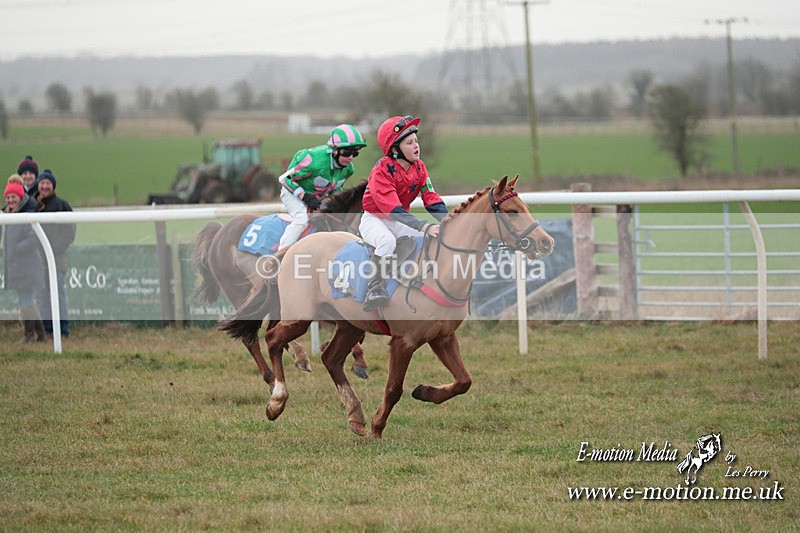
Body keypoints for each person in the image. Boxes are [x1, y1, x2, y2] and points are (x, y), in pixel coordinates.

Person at [359, 115, 448, 311]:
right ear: (394, 150)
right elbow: (392, 209)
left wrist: (449, 220)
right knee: (387, 241)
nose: (416, 146)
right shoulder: (382, 170)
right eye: (409, 143)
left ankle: (418, 281)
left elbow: (431, 198)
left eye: (416, 141)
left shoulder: (420, 167)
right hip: (375, 219)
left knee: (423, 238)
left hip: (397, 219)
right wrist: (424, 225)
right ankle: (374, 288)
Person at [277, 124, 366, 250]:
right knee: (301, 219)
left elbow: (336, 191)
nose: (351, 158)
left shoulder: (349, 170)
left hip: (316, 198)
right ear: (334, 150)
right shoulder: (312, 160)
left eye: (355, 153)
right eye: (347, 152)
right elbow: (284, 179)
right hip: (292, 192)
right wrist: (304, 196)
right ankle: (281, 253)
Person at [2, 175, 46, 343]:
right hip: (17, 266)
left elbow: (34, 239)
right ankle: (39, 335)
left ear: (20, 197)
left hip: (26, 265)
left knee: (26, 300)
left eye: (13, 197)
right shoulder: (6, 213)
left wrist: (16, 249)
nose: (10, 200)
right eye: (8, 197)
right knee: (25, 300)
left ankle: (30, 335)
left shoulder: (26, 214)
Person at [35, 169, 76, 338]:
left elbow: (70, 231)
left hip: (57, 258)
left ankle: (63, 330)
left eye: (48, 183)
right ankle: (46, 329)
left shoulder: (62, 205)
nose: (45, 186)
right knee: (42, 296)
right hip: (37, 260)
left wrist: (53, 249)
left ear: (53, 186)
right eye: (42, 183)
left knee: (57, 294)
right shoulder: (33, 205)